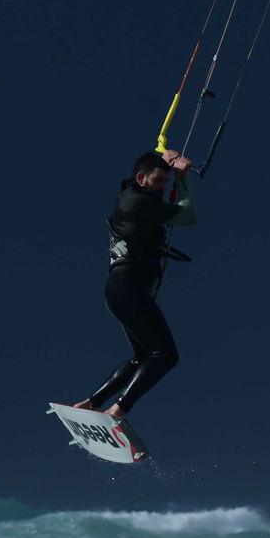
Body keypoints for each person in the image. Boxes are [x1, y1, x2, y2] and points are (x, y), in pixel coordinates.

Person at [74, 149, 197, 420]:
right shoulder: (138, 203)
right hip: (127, 290)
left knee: (143, 356)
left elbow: (150, 173)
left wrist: (164, 160)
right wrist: (181, 180)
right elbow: (187, 216)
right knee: (165, 355)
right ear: (141, 178)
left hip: (121, 291)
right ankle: (119, 411)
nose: (162, 187)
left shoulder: (135, 193)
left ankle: (90, 404)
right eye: (158, 181)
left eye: (165, 182)